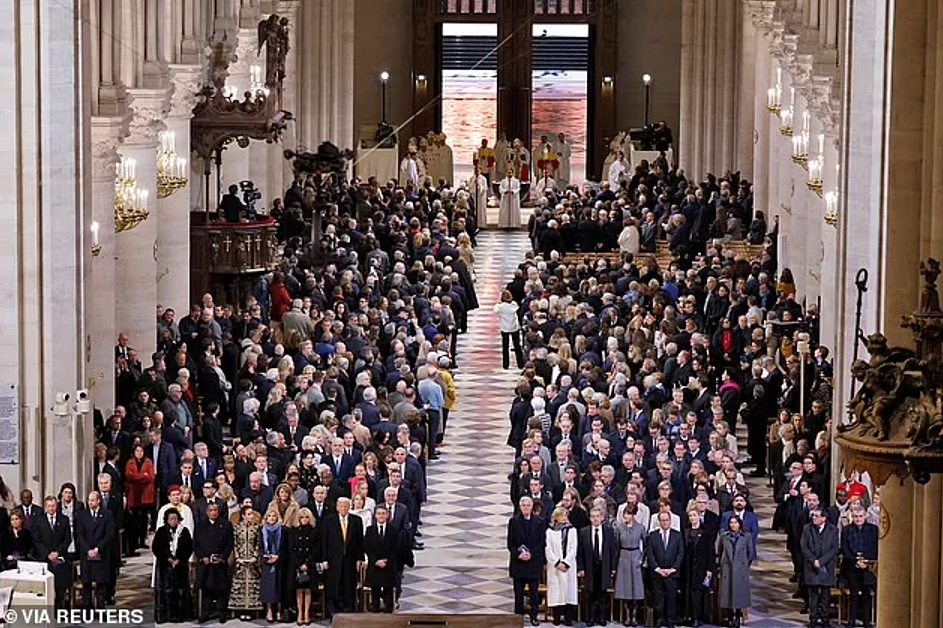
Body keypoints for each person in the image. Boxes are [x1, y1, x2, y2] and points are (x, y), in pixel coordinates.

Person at [319, 496, 364, 615]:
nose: (343, 508)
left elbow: (360, 541)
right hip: (333, 559)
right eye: (341, 506)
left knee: (349, 584)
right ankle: (334, 611)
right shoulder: (329, 521)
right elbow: (324, 541)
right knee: (334, 584)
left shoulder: (356, 521)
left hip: (350, 559)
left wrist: (360, 558)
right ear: (337, 507)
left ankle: (349, 609)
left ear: (349, 507)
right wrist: (324, 559)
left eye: (346, 506)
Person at [507, 496, 546, 626]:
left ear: (532, 506)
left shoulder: (540, 522)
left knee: (534, 594)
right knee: (519, 594)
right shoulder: (513, 521)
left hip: (533, 563)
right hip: (518, 564)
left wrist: (531, 554)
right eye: (523, 505)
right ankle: (518, 617)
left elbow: (541, 543)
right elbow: (510, 544)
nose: (525, 507)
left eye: (528, 505)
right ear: (519, 507)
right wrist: (519, 554)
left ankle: (534, 616)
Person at [578, 506, 618, 627]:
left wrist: (613, 567)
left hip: (603, 565)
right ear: (590, 518)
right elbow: (580, 552)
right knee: (590, 593)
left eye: (597, 517)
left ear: (602, 518)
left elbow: (613, 551)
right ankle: (590, 618)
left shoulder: (609, 531)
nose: (595, 519)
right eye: (593, 517)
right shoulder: (584, 532)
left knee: (602, 593)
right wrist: (581, 568)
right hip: (589, 567)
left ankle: (601, 618)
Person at [75, 490, 116, 610]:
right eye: (88, 500)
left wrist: (97, 549)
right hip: (86, 553)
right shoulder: (82, 515)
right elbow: (79, 535)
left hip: (101, 552)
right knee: (86, 582)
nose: (90, 503)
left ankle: (100, 608)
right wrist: (88, 549)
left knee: (101, 582)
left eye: (92, 500)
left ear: (98, 501)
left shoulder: (107, 514)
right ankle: (87, 608)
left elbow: (109, 534)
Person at [194, 502, 234, 623]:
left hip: (220, 563)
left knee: (221, 588)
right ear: (207, 512)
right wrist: (202, 557)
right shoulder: (200, 525)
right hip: (205, 563)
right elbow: (196, 544)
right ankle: (206, 612)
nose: (213, 512)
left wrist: (223, 557)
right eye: (211, 510)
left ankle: (222, 612)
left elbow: (229, 543)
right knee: (206, 589)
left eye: (215, 510)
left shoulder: (226, 524)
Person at [31, 496, 72, 609]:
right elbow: (36, 540)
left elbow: (67, 539)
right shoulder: (39, 521)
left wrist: (57, 553)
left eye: (53, 506)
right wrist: (47, 554)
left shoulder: (64, 520)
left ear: (56, 506)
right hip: (44, 559)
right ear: (45, 507)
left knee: (60, 587)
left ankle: (59, 609)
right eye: (49, 506)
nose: (51, 508)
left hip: (59, 558)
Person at [152, 508, 193, 623]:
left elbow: (188, 547)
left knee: (180, 591)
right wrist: (168, 559)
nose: (173, 521)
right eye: (171, 519)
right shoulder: (161, 531)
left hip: (180, 566)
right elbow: (156, 548)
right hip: (165, 566)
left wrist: (179, 559)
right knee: (165, 591)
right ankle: (164, 615)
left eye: (175, 519)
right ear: (167, 520)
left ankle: (180, 615)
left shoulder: (184, 531)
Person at [840, 506, 878, 628]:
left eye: (860, 516)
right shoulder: (846, 530)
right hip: (852, 566)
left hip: (868, 567)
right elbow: (844, 549)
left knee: (866, 595)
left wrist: (866, 562)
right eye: (856, 517)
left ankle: (866, 622)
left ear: (865, 516)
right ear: (852, 516)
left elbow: (875, 548)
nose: (858, 519)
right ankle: (851, 621)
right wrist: (856, 561)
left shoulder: (874, 530)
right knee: (853, 595)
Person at [801, 507, 839, 628]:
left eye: (816, 516)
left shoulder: (833, 530)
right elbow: (804, 547)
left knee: (825, 595)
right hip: (811, 565)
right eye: (813, 516)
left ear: (824, 518)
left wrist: (822, 561)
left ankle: (825, 619)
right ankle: (813, 618)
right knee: (813, 594)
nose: (813, 518)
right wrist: (814, 561)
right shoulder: (807, 528)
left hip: (826, 566)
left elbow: (834, 548)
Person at [646, 510, 684, 628]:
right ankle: (660, 619)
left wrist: (673, 569)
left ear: (670, 521)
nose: (665, 522)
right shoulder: (653, 535)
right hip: (657, 573)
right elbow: (650, 554)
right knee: (659, 597)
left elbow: (680, 554)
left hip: (672, 573)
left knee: (671, 597)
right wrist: (657, 569)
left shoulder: (677, 535)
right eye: (662, 520)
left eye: (667, 520)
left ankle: (670, 619)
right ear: (659, 522)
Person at [364, 505, 402, 613]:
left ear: (387, 515)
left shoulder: (393, 530)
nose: (381, 516)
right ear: (375, 515)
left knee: (388, 587)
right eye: (379, 513)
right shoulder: (370, 530)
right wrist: (376, 561)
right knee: (375, 587)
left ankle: (388, 606)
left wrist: (387, 561)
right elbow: (367, 547)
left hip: (388, 564)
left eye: (383, 513)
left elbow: (396, 548)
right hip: (375, 564)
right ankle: (375, 606)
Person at [718, 514, 754, 628]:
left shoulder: (746, 536)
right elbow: (719, 551)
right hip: (727, 568)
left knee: (739, 594)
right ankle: (730, 617)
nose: (733, 525)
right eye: (731, 523)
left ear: (740, 524)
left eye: (735, 522)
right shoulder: (724, 536)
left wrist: (744, 565)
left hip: (740, 569)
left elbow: (750, 553)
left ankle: (738, 617)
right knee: (727, 593)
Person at [229, 499, 263, 621]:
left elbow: (258, 543)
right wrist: (238, 558)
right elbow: (235, 544)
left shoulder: (256, 528)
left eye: (252, 513)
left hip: (252, 560)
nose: (251, 516)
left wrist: (255, 556)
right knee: (241, 586)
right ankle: (241, 609)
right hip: (241, 560)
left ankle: (251, 610)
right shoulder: (237, 528)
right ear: (243, 515)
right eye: (249, 514)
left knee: (252, 585)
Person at [681, 508, 715, 627]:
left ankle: (697, 617)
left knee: (698, 593)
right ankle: (688, 616)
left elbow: (710, 552)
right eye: (690, 516)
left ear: (699, 517)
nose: (692, 518)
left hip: (701, 567)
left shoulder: (706, 532)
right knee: (687, 591)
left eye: (694, 515)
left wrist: (709, 569)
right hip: (688, 567)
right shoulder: (686, 531)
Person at [614, 503, 646, 627]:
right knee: (626, 589)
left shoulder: (640, 528)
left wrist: (642, 559)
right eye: (624, 514)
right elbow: (616, 545)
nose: (625, 516)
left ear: (633, 515)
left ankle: (635, 616)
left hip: (635, 556)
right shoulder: (620, 528)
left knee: (635, 589)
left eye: (628, 514)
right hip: (624, 557)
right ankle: (627, 616)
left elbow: (646, 544)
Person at [545, 507, 578, 626]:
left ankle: (568, 618)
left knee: (568, 592)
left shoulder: (572, 530)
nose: (564, 518)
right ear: (556, 518)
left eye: (566, 516)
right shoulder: (550, 531)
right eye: (562, 516)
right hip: (555, 567)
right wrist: (557, 562)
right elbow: (548, 549)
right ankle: (556, 617)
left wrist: (565, 562)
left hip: (568, 567)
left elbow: (573, 548)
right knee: (556, 592)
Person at [287, 508, 318, 625]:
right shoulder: (293, 531)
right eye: (301, 517)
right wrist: (300, 564)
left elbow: (316, 549)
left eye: (306, 517)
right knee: (299, 589)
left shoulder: (314, 531)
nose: (304, 520)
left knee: (308, 590)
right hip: (297, 564)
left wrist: (307, 563)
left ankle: (307, 613)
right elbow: (291, 549)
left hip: (309, 564)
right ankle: (300, 613)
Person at [125, 443, 157, 553]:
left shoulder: (148, 462)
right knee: (135, 520)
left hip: (145, 495)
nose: (139, 453)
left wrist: (138, 477)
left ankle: (142, 540)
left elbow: (151, 477)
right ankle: (135, 541)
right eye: (137, 451)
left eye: (141, 451)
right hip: (134, 494)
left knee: (144, 519)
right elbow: (129, 476)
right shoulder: (130, 462)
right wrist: (143, 475)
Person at [260, 508, 286, 622]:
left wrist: (278, 556)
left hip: (280, 562)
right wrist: (265, 557)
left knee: (279, 586)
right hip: (267, 562)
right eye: (269, 516)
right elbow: (259, 546)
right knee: (268, 588)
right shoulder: (262, 530)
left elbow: (286, 547)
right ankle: (269, 610)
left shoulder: (283, 530)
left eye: (274, 516)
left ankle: (279, 610)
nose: (272, 518)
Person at [494, 290, 524, 370]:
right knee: (517, 346)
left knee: (505, 346)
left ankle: (506, 364)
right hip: (514, 327)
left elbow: (495, 310)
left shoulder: (501, 307)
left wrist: (499, 303)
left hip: (505, 327)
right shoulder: (514, 304)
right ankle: (520, 364)